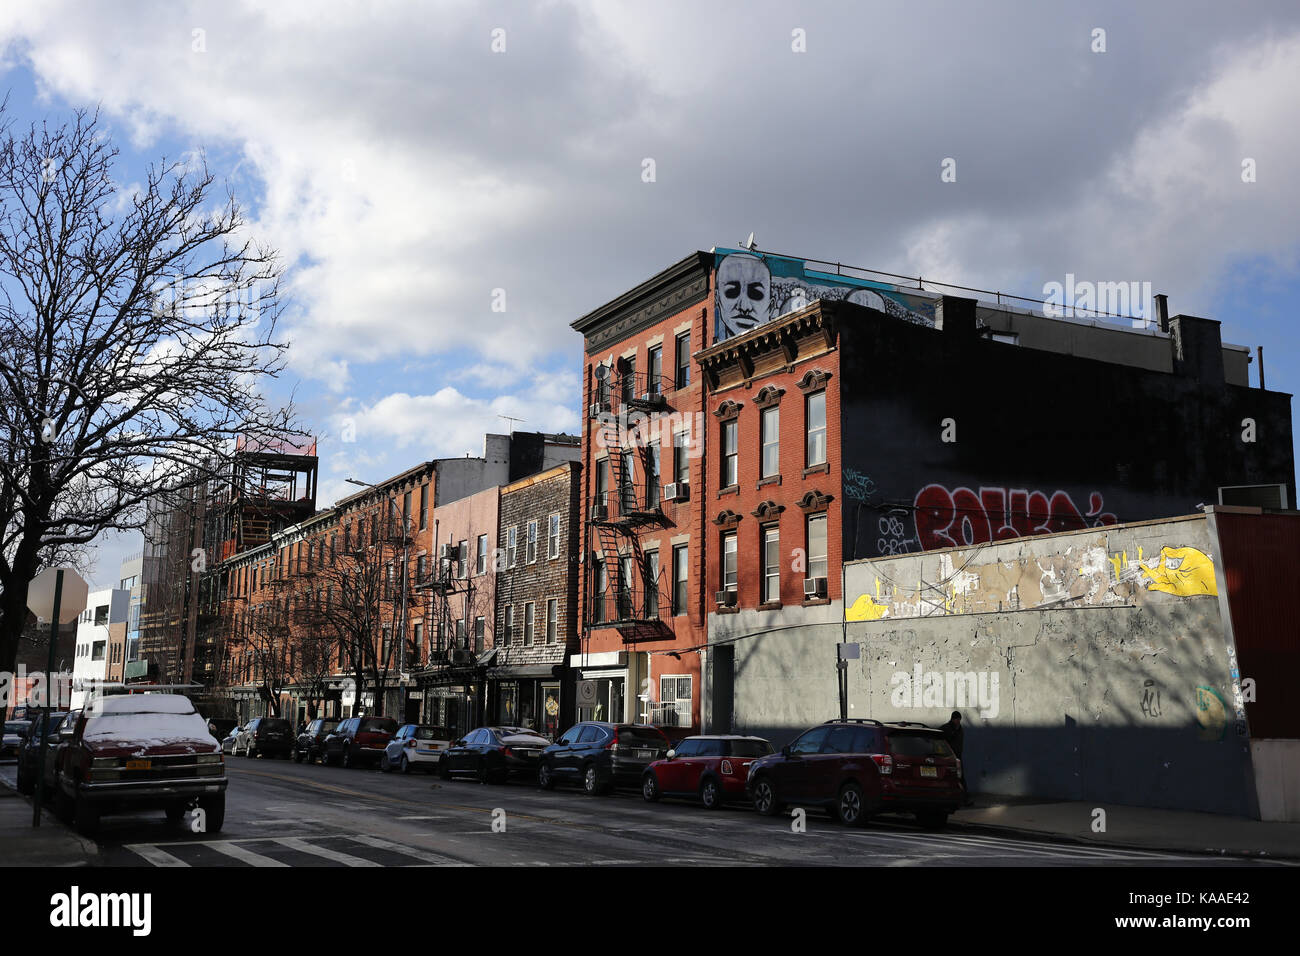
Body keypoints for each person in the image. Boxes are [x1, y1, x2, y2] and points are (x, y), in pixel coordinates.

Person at [939, 710, 971, 805]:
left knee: (961, 777)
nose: (958, 721)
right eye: (957, 719)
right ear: (953, 719)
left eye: (959, 719)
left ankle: (964, 799)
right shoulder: (946, 728)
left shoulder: (960, 729)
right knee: (946, 777)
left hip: (958, 757)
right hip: (948, 758)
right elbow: (938, 736)